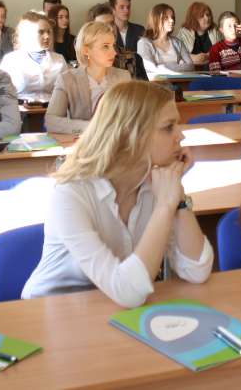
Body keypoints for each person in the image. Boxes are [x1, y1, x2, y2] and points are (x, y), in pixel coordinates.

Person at [22, 81, 213, 306]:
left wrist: (177, 195)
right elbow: (128, 293)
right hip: (52, 308)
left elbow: (197, 271)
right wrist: (165, 206)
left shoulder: (156, 184)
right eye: (169, 127)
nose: (181, 136)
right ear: (130, 133)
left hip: (108, 304)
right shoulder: (72, 193)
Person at [46, 21, 131, 134]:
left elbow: (134, 117)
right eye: (105, 46)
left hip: (117, 141)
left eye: (113, 46)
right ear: (86, 50)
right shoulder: (67, 79)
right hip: (83, 141)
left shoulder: (123, 77)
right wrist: (92, 127)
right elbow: (51, 122)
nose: (114, 52)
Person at [0, 11, 68, 103]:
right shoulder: (11, 60)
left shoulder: (59, 60)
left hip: (52, 108)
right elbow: (2, 94)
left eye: (49, 32)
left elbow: (67, 91)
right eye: (41, 32)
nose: (47, 36)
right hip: (20, 109)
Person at [136, 4, 194, 78]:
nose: (172, 20)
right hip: (155, 83)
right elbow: (151, 69)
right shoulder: (143, 43)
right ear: (156, 19)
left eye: (172, 17)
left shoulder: (178, 42)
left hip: (179, 81)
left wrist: (162, 66)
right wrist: (178, 65)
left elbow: (191, 66)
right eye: (166, 18)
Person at [174, 2, 221, 68]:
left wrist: (208, 56)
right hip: (191, 70)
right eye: (202, 16)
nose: (207, 18)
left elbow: (222, 51)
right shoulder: (184, 33)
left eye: (208, 15)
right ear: (194, 18)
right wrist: (191, 57)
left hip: (213, 69)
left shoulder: (215, 30)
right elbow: (176, 55)